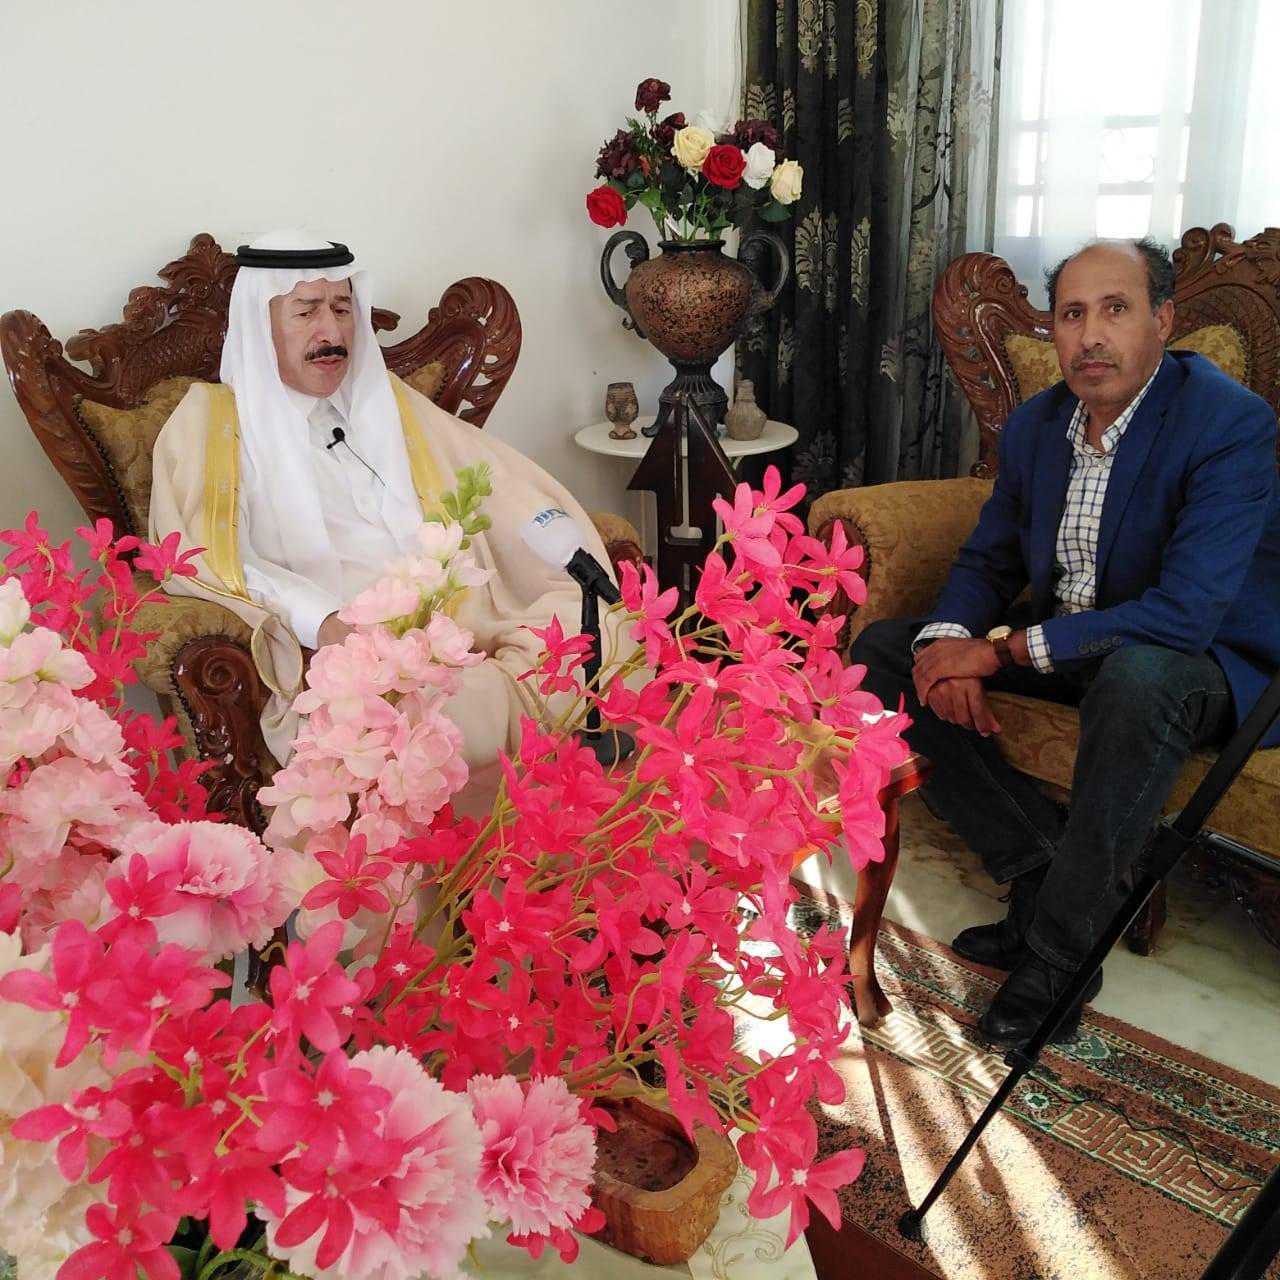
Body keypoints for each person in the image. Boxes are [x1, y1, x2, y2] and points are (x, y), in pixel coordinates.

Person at [852, 236, 1280, 1047]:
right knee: (885, 652)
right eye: (1072, 315)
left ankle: (1059, 959)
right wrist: (948, 646)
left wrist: (998, 653)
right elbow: (989, 559)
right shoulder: (1039, 425)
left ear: (1163, 321)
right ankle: (1039, 872)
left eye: (1116, 310)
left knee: (1139, 678)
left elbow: (1186, 613)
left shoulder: (1226, 422)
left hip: (1210, 663)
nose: (1091, 336)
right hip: (1082, 647)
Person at [149, 231, 621, 776]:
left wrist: (561, 552)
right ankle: (522, 769)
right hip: (354, 650)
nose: (332, 333)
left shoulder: (386, 398)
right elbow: (211, 560)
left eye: (342, 309)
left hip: (459, 614)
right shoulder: (209, 423)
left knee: (605, 631)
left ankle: (530, 756)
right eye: (306, 311)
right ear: (260, 323)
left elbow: (497, 481)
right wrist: (321, 620)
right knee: (409, 719)